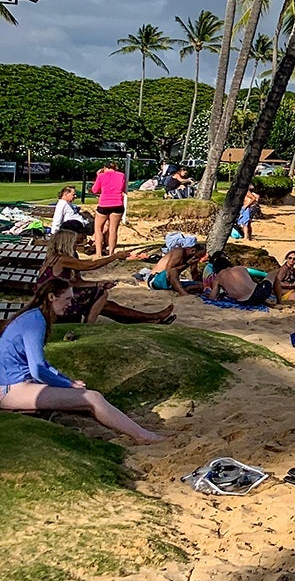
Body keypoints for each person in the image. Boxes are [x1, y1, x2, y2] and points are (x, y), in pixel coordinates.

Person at [0, 279, 167, 443]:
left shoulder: (34, 316)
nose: (70, 304)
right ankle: (143, 436)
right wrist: (68, 385)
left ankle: (137, 432)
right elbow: (38, 369)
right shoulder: (35, 321)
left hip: (16, 384)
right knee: (93, 398)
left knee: (84, 397)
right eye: (67, 299)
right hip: (10, 388)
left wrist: (67, 381)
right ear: (51, 297)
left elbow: (40, 365)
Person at [38, 230, 173, 324]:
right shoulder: (62, 259)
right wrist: (114, 256)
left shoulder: (52, 259)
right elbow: (91, 265)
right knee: (102, 297)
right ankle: (88, 326)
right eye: (73, 242)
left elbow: (75, 283)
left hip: (54, 298)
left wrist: (97, 283)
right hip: (55, 302)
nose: (75, 245)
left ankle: (151, 319)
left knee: (107, 304)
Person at [202, 251, 275, 307]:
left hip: (245, 302)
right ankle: (279, 301)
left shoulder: (218, 278)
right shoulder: (241, 268)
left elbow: (213, 297)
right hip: (260, 293)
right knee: (273, 274)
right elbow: (251, 282)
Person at [87, 164, 128, 258]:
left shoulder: (101, 176)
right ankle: (111, 253)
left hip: (104, 204)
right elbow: (123, 188)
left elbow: (94, 190)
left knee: (98, 229)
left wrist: (98, 176)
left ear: (105, 168)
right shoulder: (121, 175)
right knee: (113, 230)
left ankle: (98, 253)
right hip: (117, 203)